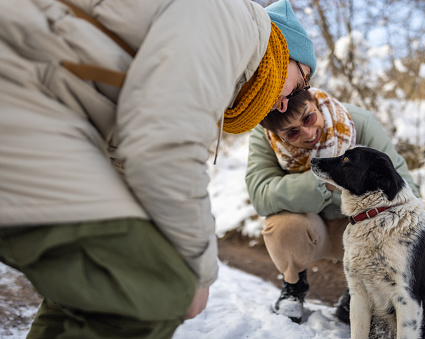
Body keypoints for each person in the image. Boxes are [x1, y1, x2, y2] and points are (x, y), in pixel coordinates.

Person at [0, 0, 316, 338]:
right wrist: (198, 269)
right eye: (300, 84)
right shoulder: (233, 22)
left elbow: (126, 146)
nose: (286, 103)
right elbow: (164, 144)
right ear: (285, 50)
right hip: (21, 100)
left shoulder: (224, 57)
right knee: (155, 291)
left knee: (104, 284)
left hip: (42, 112)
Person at [245, 88, 425, 324]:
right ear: (276, 134)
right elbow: (260, 194)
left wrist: (366, 200)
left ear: (314, 102)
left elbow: (405, 187)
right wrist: (326, 183)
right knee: (283, 226)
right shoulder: (265, 137)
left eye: (309, 118)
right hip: (308, 227)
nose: (307, 133)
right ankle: (293, 285)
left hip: (358, 227)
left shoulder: (358, 122)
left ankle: (360, 289)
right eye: (292, 133)